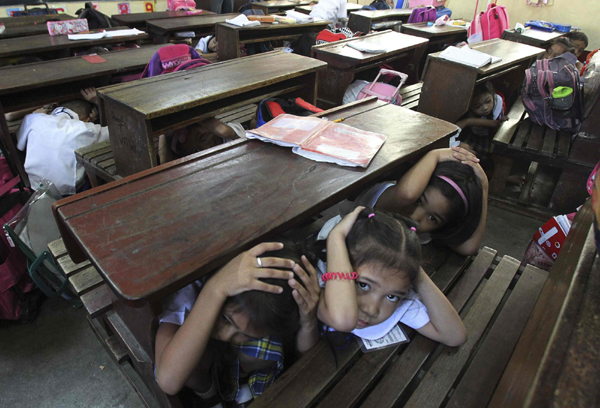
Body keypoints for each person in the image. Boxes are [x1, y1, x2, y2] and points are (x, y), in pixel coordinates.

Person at [155, 241, 320, 407]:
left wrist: (308, 322)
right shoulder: (188, 293)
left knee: (261, 353)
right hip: (202, 370)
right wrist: (215, 288)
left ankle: (237, 383)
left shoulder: (271, 311)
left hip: (232, 364)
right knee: (190, 357)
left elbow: (303, 359)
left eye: (245, 334)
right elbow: (169, 381)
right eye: (226, 319)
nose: (226, 335)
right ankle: (211, 396)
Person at [315, 207, 467, 346]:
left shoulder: (395, 287)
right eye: (363, 285)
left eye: (392, 297)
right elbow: (343, 319)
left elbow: (455, 336)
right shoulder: (320, 282)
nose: (372, 310)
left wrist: (411, 267)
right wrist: (336, 237)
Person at [353, 147, 487, 256]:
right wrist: (434, 155)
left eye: (433, 219)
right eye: (419, 201)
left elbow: (468, 248)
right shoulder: (385, 197)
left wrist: (484, 187)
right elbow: (407, 194)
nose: (415, 217)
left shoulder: (420, 231)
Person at [16, 88, 107, 195]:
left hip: (36, 188)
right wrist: (97, 102)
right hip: (69, 192)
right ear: (87, 119)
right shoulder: (88, 129)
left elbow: (19, 143)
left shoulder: (33, 119)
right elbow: (115, 132)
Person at [454, 81, 506, 171]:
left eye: (488, 101)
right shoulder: (465, 114)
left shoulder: (498, 104)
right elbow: (459, 125)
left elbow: (496, 125)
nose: (485, 108)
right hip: (472, 140)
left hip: (489, 142)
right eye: (477, 106)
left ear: (492, 95)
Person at [157, 118, 246, 164]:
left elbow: (224, 131)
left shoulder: (232, 132)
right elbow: (165, 163)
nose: (206, 147)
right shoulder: (203, 162)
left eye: (202, 137)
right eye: (197, 151)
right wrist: (163, 134)